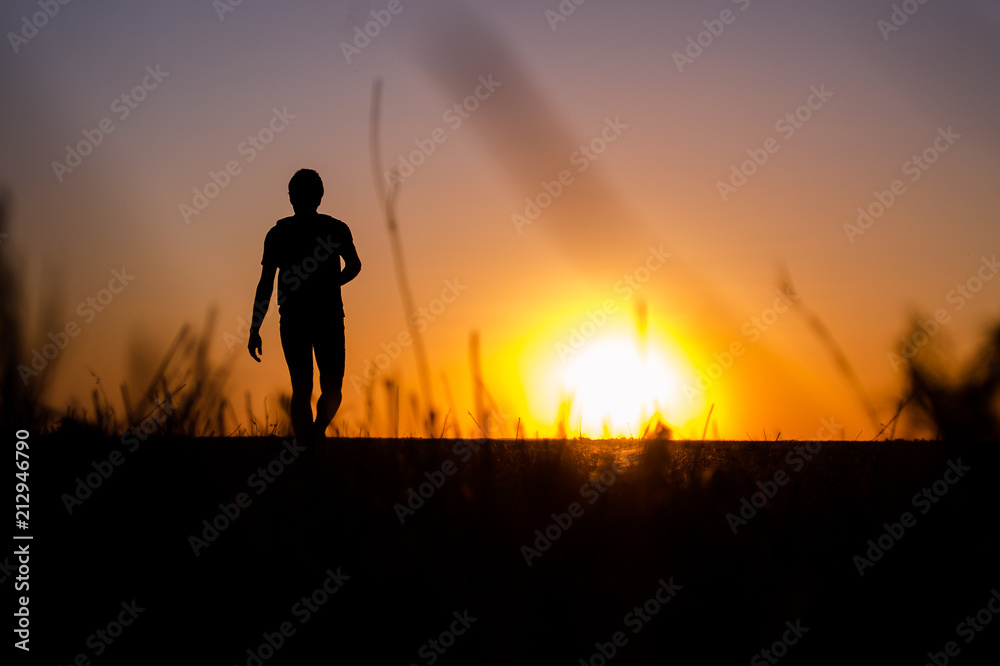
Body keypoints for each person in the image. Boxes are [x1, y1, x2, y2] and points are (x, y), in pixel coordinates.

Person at [248, 169, 361, 441]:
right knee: (307, 387)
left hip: (323, 318)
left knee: (323, 387)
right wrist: (254, 328)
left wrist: (255, 328)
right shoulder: (280, 233)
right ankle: (309, 441)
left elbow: (355, 265)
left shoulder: (334, 229)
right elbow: (266, 283)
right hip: (304, 319)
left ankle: (312, 435)